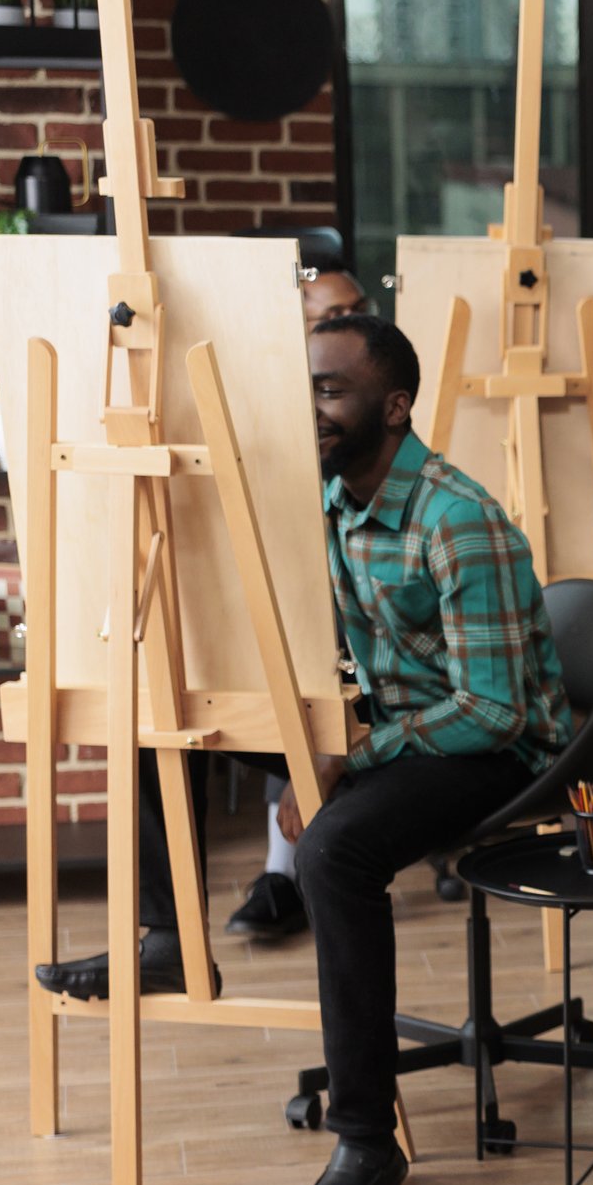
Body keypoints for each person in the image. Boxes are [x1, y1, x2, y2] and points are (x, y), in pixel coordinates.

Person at [35, 314, 571, 1185]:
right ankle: (168, 937)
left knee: (332, 849)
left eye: (332, 389)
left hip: (495, 751)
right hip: (400, 723)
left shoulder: (456, 518)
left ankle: (368, 1138)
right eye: (307, 387)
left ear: (395, 406)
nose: (313, 406)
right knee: (164, 726)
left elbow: (495, 710)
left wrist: (345, 762)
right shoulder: (329, 499)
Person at [225, 254, 378, 943]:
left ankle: (287, 870)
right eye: (332, 319)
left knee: (324, 650)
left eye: (357, 311)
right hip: (293, 610)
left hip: (368, 632)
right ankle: (281, 869)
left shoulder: (379, 406)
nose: (353, 327)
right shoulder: (273, 417)